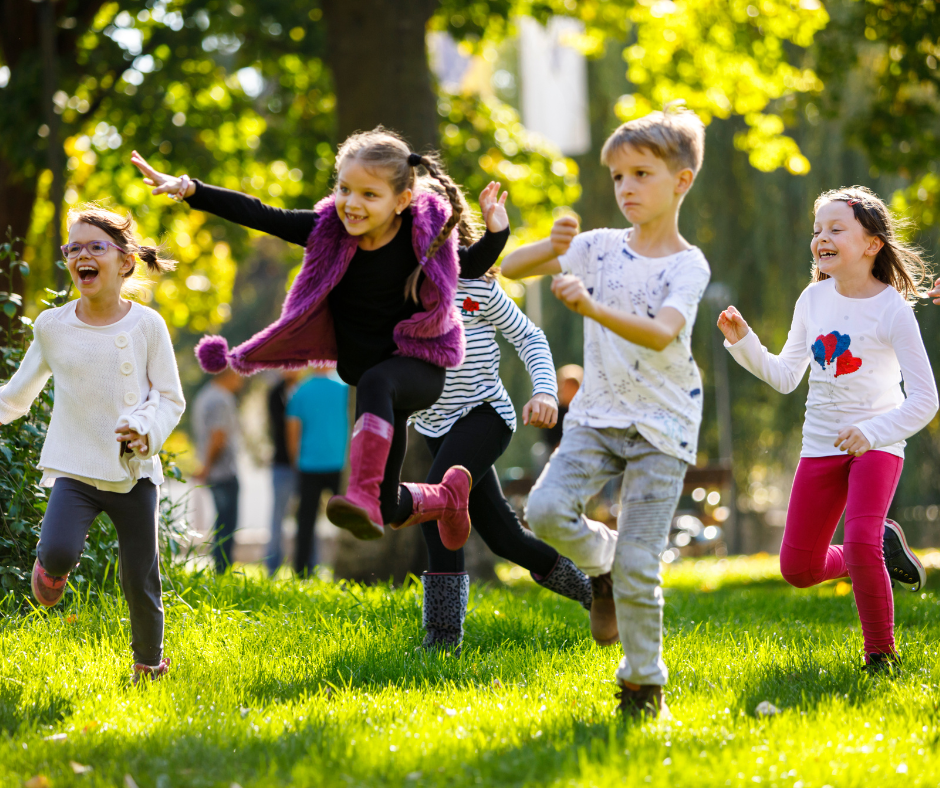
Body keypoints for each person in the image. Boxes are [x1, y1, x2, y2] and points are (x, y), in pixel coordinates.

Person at [130, 127, 508, 553]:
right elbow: (260, 213)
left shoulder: (420, 236)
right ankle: (445, 499)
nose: (352, 203)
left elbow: (469, 266)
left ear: (401, 201)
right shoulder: (328, 231)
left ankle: (362, 490)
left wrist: (497, 234)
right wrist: (189, 189)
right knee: (384, 508)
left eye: (370, 194)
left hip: (420, 366)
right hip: (375, 385)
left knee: (376, 387)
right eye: (345, 189)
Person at [500, 106, 711, 719]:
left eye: (641, 174)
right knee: (542, 511)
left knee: (644, 567)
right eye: (617, 177)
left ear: (681, 181)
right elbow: (510, 268)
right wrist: (552, 245)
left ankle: (642, 684)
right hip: (596, 415)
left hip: (663, 425)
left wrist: (590, 308)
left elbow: (661, 333)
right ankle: (603, 564)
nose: (626, 189)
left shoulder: (686, 264)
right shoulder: (595, 247)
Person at [718, 185, 937, 675]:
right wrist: (745, 344)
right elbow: (785, 376)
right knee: (798, 571)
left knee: (857, 542)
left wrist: (874, 432)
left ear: (872, 243)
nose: (822, 238)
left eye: (836, 229)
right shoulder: (812, 299)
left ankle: (881, 655)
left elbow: (926, 399)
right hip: (820, 446)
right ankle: (881, 544)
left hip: (878, 445)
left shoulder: (893, 310)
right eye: (818, 230)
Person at [0, 205, 184, 683]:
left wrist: (145, 430)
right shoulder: (53, 326)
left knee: (139, 577)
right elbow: (18, 396)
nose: (82, 255)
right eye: (73, 248)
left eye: (95, 246)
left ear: (124, 261)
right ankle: (51, 569)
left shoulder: (147, 326)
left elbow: (169, 397)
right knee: (58, 549)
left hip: (133, 474)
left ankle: (148, 663)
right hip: (76, 470)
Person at [402, 257, 593, 652]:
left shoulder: (475, 290)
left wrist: (544, 390)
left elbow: (529, 337)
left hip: (484, 415)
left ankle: (442, 636)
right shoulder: (395, 285)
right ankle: (597, 591)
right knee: (506, 539)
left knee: (434, 505)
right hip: (435, 427)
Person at [285, 369, 350, 575]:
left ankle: (302, 572)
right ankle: (346, 567)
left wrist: (295, 460)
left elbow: (292, 430)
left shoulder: (300, 391)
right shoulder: (346, 389)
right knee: (349, 518)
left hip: (309, 465)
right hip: (340, 464)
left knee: (305, 521)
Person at [192, 367, 244, 573]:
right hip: (223, 472)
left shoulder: (205, 395)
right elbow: (218, 436)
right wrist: (207, 466)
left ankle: (220, 569)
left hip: (214, 470)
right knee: (226, 525)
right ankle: (222, 570)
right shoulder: (221, 399)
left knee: (221, 522)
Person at [265, 369, 302, 575]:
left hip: (305, 464)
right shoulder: (274, 393)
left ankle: (306, 565)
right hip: (282, 464)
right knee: (278, 516)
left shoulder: (304, 390)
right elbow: (280, 426)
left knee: (305, 516)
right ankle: (272, 566)